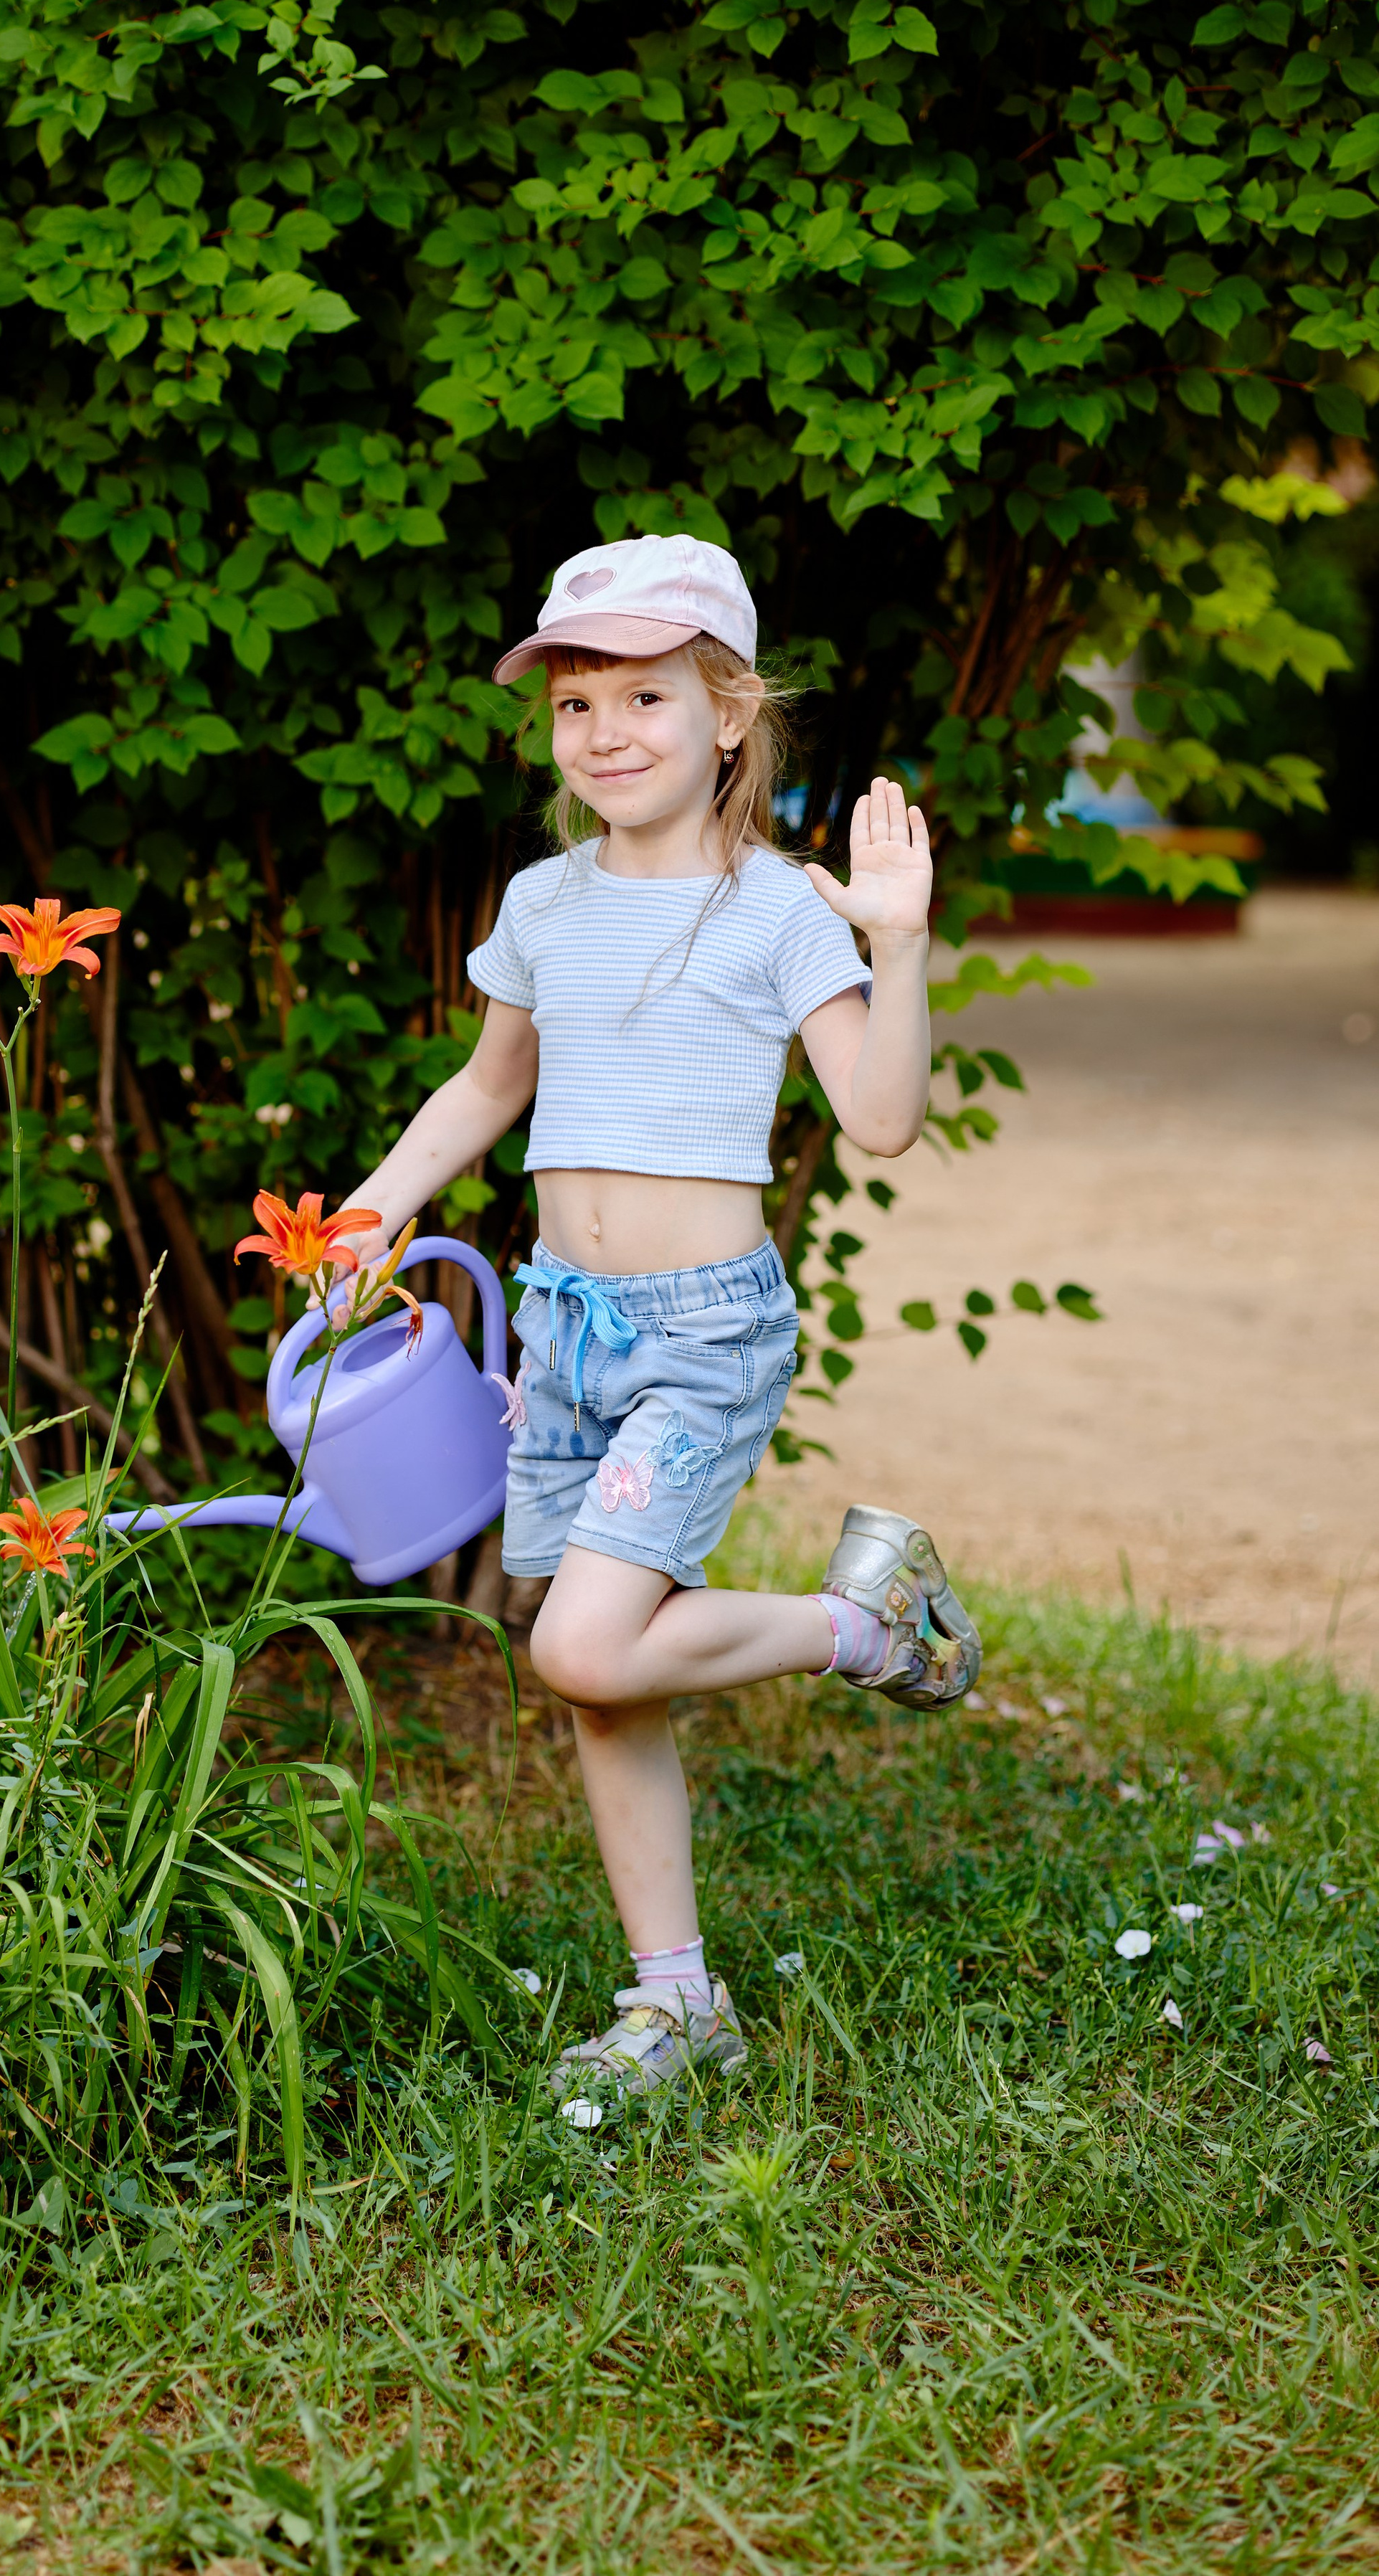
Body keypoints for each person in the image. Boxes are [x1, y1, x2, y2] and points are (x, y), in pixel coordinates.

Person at [339, 534, 980, 2121]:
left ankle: (866, 1628)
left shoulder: (771, 912)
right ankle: (676, 1999)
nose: (605, 730)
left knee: (575, 1638)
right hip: (559, 1331)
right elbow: (491, 1087)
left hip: (700, 1337)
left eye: (644, 695)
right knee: (604, 1682)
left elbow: (883, 1120)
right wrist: (376, 1207)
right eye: (576, 702)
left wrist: (895, 947)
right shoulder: (543, 903)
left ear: (727, 719)